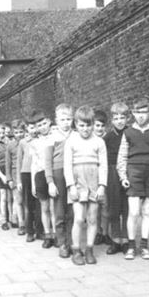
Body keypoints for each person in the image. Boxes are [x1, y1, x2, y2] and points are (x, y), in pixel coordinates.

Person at [117, 96, 149, 260]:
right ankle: (131, 246)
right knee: (133, 212)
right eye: (137, 113)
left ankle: (144, 246)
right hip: (134, 173)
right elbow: (122, 156)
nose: (140, 116)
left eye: (144, 113)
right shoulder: (128, 133)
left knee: (147, 210)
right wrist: (123, 176)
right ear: (133, 113)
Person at [64, 105, 107, 265]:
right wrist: (71, 186)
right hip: (77, 182)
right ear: (76, 124)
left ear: (93, 124)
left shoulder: (99, 142)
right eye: (81, 125)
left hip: (94, 181)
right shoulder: (71, 141)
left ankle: (89, 249)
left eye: (88, 125)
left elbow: (103, 165)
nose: (86, 129)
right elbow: (67, 166)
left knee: (92, 218)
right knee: (79, 218)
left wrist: (102, 185)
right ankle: (76, 250)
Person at [44, 103, 74, 258]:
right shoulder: (52, 137)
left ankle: (71, 242)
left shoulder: (75, 135)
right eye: (62, 119)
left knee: (72, 211)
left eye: (69, 119)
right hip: (58, 174)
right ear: (56, 120)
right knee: (60, 211)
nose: (66, 122)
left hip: (73, 175)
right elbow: (47, 161)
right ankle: (62, 243)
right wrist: (50, 182)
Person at [104, 102, 130, 255]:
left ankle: (126, 240)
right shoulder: (108, 137)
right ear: (112, 120)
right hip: (112, 173)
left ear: (127, 118)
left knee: (127, 207)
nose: (120, 121)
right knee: (114, 208)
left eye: (123, 117)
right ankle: (115, 240)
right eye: (116, 118)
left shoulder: (131, 134)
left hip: (127, 172)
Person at [17, 112, 43, 242]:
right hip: (26, 173)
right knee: (29, 204)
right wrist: (18, 180)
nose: (34, 130)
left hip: (38, 172)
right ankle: (29, 231)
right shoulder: (23, 142)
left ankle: (40, 230)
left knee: (39, 203)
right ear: (27, 128)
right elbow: (18, 162)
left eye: (36, 127)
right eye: (31, 127)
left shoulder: (40, 140)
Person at [30, 110, 55, 248]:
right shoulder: (34, 142)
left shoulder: (56, 137)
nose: (43, 127)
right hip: (40, 174)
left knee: (53, 207)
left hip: (52, 173)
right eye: (39, 125)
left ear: (49, 122)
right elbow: (34, 163)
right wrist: (34, 183)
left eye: (44, 123)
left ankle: (56, 233)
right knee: (44, 207)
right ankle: (47, 234)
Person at [93, 109, 112, 246]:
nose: (99, 128)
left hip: (105, 177)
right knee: (95, 208)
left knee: (106, 206)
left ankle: (105, 233)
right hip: (92, 176)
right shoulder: (89, 139)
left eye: (102, 126)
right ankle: (97, 233)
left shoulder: (108, 139)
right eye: (97, 125)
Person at [5, 119, 26, 235]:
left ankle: (28, 222)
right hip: (14, 175)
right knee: (18, 200)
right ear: (13, 132)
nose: (19, 135)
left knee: (27, 201)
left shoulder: (28, 142)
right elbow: (8, 163)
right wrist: (9, 179)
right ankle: (21, 223)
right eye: (17, 132)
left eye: (21, 132)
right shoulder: (10, 146)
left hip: (26, 174)